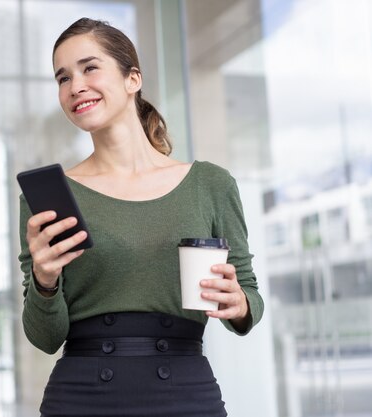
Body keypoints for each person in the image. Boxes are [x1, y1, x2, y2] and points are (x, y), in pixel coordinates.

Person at [17, 17, 263, 417]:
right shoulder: (49, 199)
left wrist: (239, 303)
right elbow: (45, 338)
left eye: (89, 67)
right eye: (62, 78)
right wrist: (44, 282)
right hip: (80, 398)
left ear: (133, 79)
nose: (75, 85)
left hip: (185, 393)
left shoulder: (210, 184)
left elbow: (249, 295)